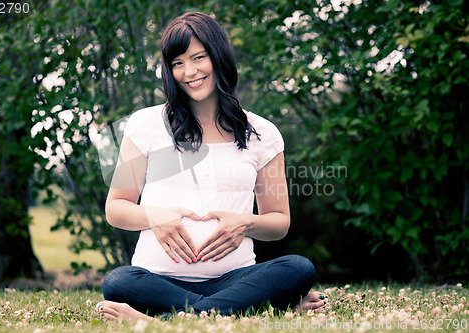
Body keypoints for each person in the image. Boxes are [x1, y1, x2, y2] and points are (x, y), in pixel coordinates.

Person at [96, 11, 325, 321]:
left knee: (299, 268)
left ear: (217, 57)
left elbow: (279, 221)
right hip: (157, 279)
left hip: (235, 278)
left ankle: (166, 320)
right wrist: (155, 217)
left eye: (198, 57)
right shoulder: (145, 125)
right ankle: (248, 309)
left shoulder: (263, 133)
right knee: (119, 281)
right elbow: (116, 208)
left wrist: (246, 223)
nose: (189, 71)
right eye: (177, 63)